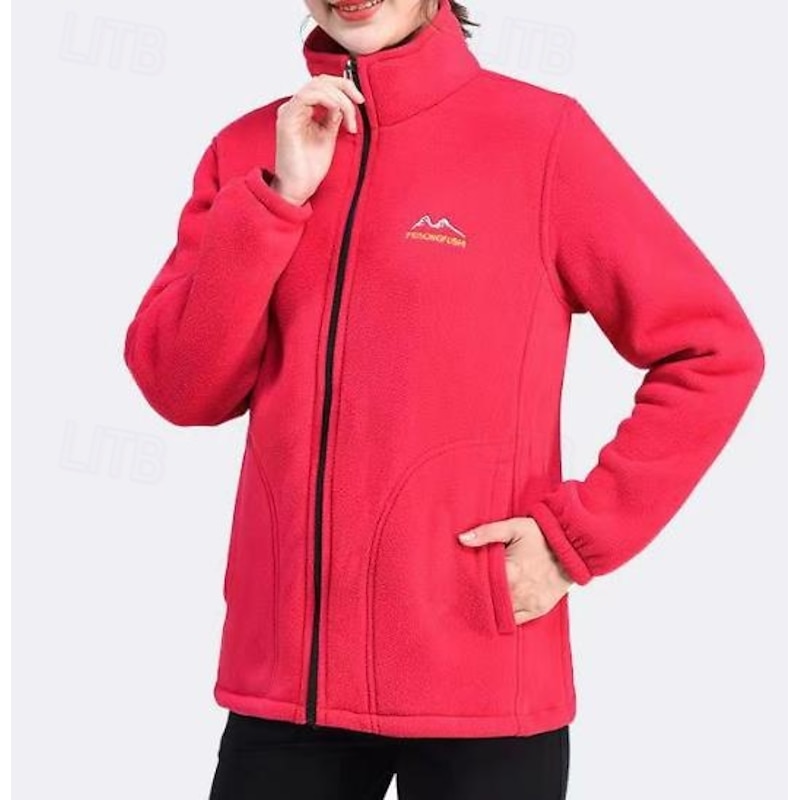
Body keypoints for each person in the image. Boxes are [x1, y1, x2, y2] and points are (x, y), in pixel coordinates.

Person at [122, 1, 766, 797]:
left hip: (481, 678)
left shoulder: (542, 139)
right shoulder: (247, 150)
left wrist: (575, 538)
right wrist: (277, 202)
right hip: (287, 689)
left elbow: (713, 350)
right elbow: (182, 388)